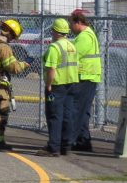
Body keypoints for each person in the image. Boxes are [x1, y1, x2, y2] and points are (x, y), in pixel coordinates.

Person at [0, 19, 30, 150]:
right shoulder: (4, 47)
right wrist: (24, 64)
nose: (13, 40)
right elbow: (13, 67)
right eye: (13, 37)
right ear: (10, 34)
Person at [35, 18, 79, 157]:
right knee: (67, 115)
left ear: (55, 32)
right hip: (71, 84)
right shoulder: (71, 46)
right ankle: (66, 146)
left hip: (57, 86)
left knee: (54, 115)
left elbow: (51, 70)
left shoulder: (54, 48)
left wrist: (48, 85)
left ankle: (53, 147)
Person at [70, 10, 101, 152]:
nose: (70, 28)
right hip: (89, 76)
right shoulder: (88, 34)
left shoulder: (84, 37)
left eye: (71, 24)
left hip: (85, 77)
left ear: (78, 22)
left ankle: (73, 140)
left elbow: (73, 55)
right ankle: (83, 141)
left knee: (77, 110)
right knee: (83, 110)